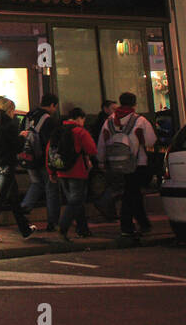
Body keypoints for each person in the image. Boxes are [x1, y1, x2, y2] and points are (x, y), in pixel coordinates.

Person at [97, 92, 156, 239]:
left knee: (132, 193)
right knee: (131, 194)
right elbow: (150, 141)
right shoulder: (140, 120)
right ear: (134, 104)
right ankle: (127, 226)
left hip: (115, 163)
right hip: (137, 163)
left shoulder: (109, 121)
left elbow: (101, 144)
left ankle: (143, 224)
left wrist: (101, 161)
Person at [0, 97, 36, 242]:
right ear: (10, 110)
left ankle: (25, 230)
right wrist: (22, 137)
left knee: (14, 199)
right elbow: (16, 147)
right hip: (7, 165)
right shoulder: (10, 125)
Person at [52, 107, 97, 240]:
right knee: (76, 201)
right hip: (78, 171)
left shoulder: (58, 130)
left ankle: (82, 229)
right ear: (79, 118)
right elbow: (92, 149)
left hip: (61, 171)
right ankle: (63, 226)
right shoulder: (80, 131)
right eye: (83, 119)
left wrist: (51, 170)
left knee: (76, 202)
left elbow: (51, 151)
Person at [19, 94, 61, 230]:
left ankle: (23, 210)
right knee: (51, 189)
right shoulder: (49, 120)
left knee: (36, 183)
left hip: (28, 158)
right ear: (52, 105)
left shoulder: (28, 116)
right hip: (43, 160)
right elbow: (53, 143)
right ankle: (52, 222)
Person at [90, 99, 119, 218]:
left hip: (106, 157)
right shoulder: (105, 123)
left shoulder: (104, 121)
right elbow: (101, 142)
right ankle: (107, 209)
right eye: (113, 109)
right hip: (107, 158)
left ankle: (109, 210)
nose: (115, 112)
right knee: (111, 184)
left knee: (110, 184)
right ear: (105, 109)